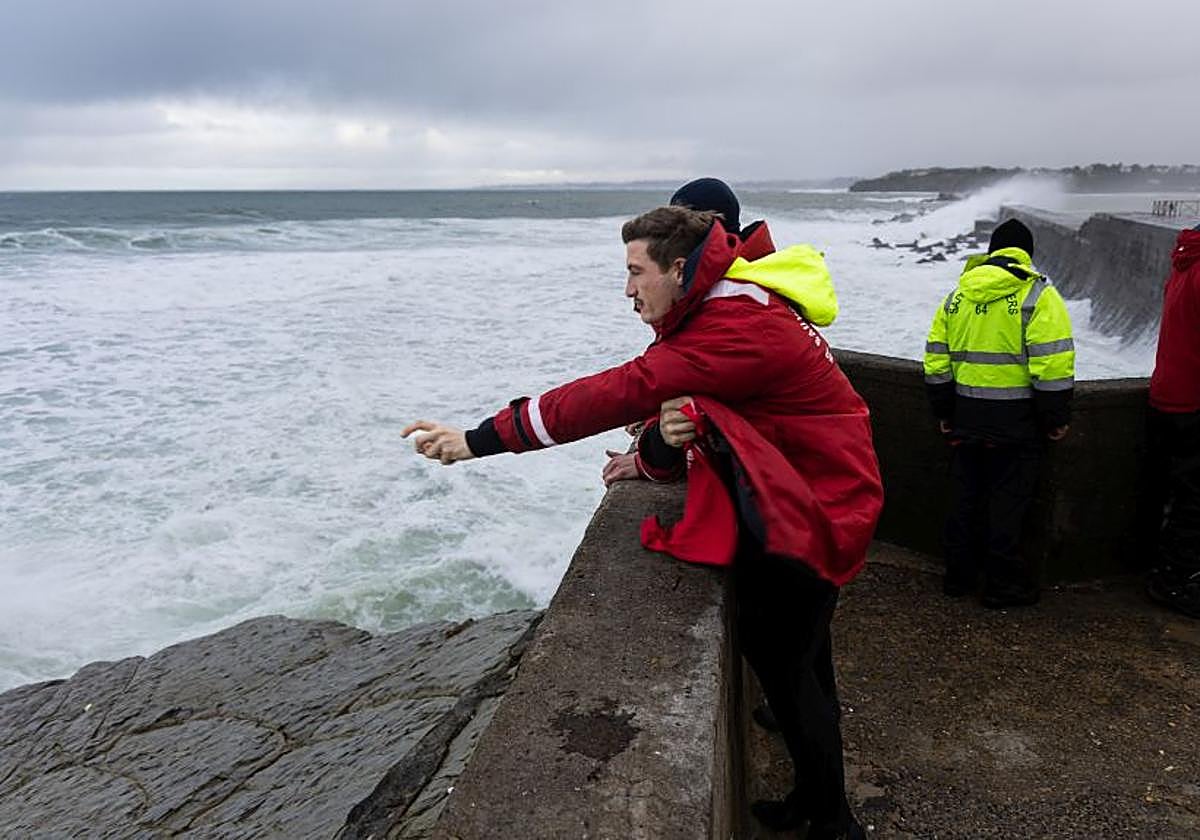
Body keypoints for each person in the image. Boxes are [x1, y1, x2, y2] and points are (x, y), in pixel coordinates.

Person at [404, 205, 882, 839]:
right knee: (801, 660)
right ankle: (812, 797)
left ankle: (833, 820)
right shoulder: (729, 300)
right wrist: (664, 437)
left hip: (814, 508)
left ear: (679, 268)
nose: (628, 289)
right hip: (808, 491)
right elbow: (684, 406)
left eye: (636, 272)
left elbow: (606, 395)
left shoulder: (731, 327)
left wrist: (475, 440)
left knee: (792, 673)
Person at [923, 218, 1075, 608]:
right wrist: (1055, 419)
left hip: (965, 417)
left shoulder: (957, 296)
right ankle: (1002, 587)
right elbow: (1052, 365)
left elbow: (936, 360)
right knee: (1008, 505)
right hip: (1017, 423)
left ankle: (957, 578)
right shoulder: (1037, 296)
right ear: (1027, 253)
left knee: (964, 499)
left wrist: (944, 409)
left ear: (991, 252)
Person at [1144, 223, 1200, 618]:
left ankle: (1164, 571)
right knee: (1195, 498)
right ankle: (1176, 582)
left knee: (1175, 491)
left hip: (1167, 391)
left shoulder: (1183, 264)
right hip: (1194, 399)